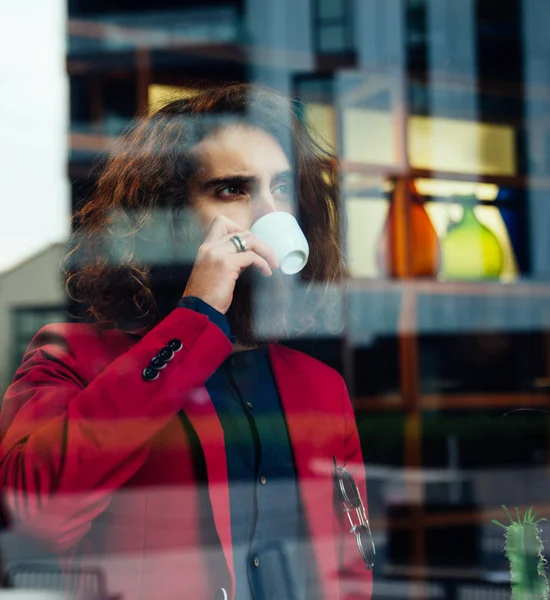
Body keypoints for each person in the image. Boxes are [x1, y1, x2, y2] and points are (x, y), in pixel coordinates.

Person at [0, 84, 373, 600]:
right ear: (169, 217)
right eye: (232, 190)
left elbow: (351, 569)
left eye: (281, 187)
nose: (269, 215)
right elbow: (33, 519)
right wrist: (196, 317)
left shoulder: (321, 387)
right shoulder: (74, 359)